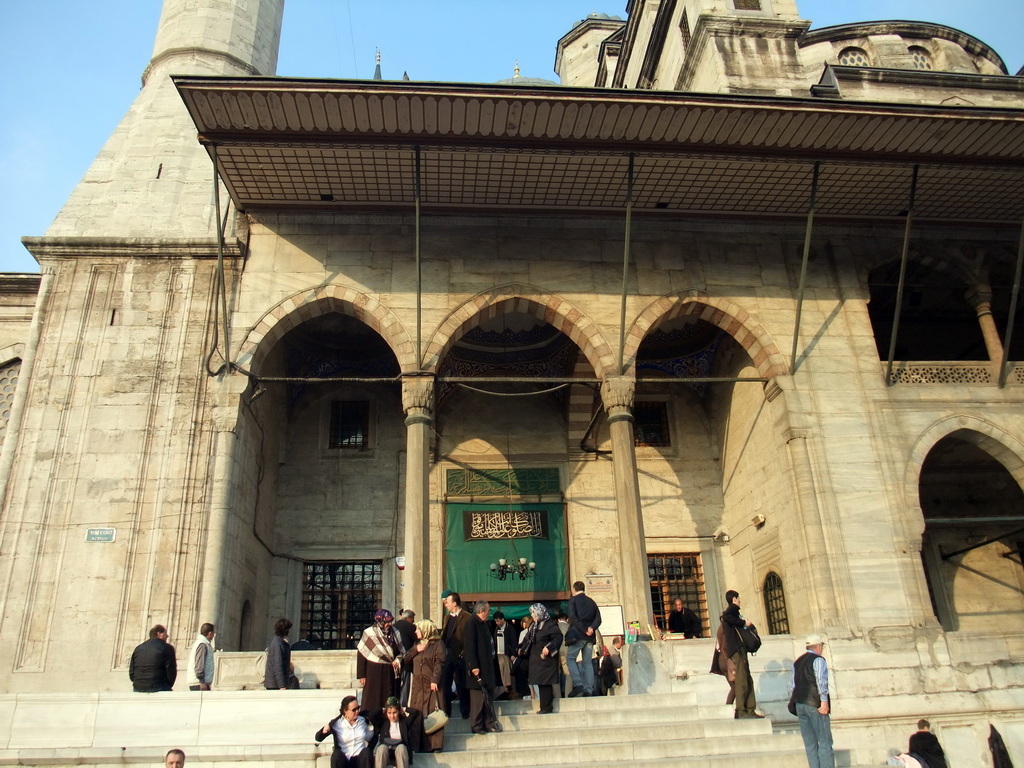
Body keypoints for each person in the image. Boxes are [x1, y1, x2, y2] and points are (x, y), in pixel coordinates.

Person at [792, 634, 834, 768]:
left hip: (800, 703)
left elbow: (794, 684)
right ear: (818, 646)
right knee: (825, 742)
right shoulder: (818, 660)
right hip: (815, 704)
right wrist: (824, 702)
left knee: (810, 744)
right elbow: (821, 682)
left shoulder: (797, 661)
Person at [404, 619, 446, 753]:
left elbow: (439, 662)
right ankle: (417, 744)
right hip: (418, 686)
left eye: (418, 629)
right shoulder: (416, 644)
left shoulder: (438, 644)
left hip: (431, 685)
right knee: (417, 714)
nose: (416, 632)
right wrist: (415, 650)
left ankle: (435, 745)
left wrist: (435, 679)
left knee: (433, 712)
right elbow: (406, 660)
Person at [718, 590, 760, 718]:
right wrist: (743, 623)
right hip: (736, 650)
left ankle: (750, 709)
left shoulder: (734, 613)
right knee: (742, 680)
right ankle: (741, 711)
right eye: (738, 598)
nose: (740, 601)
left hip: (740, 650)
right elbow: (726, 617)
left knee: (748, 679)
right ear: (734, 599)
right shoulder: (732, 610)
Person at [463, 600, 500, 734]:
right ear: (481, 611)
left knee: (488, 697)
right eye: (488, 610)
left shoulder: (484, 624)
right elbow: (469, 647)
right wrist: (474, 666)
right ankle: (477, 724)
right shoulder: (471, 624)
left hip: (487, 666)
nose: (489, 613)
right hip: (478, 668)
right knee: (478, 699)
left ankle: (489, 722)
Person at [357, 609, 402, 711]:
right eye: (387, 622)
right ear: (380, 621)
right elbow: (362, 652)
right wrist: (362, 675)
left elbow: (401, 651)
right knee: (373, 697)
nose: (389, 624)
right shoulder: (369, 633)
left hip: (390, 670)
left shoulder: (395, 633)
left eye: (390, 621)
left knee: (389, 696)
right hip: (373, 671)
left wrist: (398, 660)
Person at [524, 603, 563, 714]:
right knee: (540, 682)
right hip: (536, 659)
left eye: (533, 613)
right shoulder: (534, 626)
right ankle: (544, 706)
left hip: (546, 660)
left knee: (545, 682)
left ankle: (546, 707)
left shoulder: (550, 625)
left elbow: (558, 637)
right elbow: (528, 639)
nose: (532, 615)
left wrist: (549, 647)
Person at [316, 695, 372, 768]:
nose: (357, 711)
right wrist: (324, 731)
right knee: (336, 755)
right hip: (344, 760)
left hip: (359, 759)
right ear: (345, 711)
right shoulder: (337, 723)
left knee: (367, 752)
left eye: (358, 708)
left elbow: (370, 736)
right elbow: (318, 738)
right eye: (354, 710)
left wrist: (372, 728)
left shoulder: (363, 720)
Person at [567, 580, 601, 697]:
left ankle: (578, 684)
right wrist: (591, 628)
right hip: (590, 637)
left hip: (578, 635)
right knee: (588, 663)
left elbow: (573, 617)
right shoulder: (591, 602)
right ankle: (588, 690)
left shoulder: (573, 600)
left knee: (570, 658)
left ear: (574, 589)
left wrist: (584, 629)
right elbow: (598, 618)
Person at [439, 590, 470, 718]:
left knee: (462, 684)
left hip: (460, 655)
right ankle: (447, 711)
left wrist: (463, 654)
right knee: (446, 683)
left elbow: (468, 639)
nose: (446, 604)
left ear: (455, 603)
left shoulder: (467, 617)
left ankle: (465, 711)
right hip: (447, 655)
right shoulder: (447, 618)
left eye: (448, 602)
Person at [365, 697, 415, 768]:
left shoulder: (404, 722)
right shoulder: (383, 722)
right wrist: (383, 709)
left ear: (399, 711)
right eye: (389, 713)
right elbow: (371, 715)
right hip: (387, 754)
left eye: (394, 712)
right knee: (381, 748)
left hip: (400, 754)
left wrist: (404, 709)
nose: (392, 716)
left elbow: (415, 713)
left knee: (401, 747)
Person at [129, 624, 177, 692]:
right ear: (159, 634)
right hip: (159, 687)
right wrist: (167, 685)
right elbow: (171, 671)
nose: (167, 636)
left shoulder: (138, 648)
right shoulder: (167, 648)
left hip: (138, 687)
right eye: (165, 633)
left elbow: (132, 672)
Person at [393, 610, 416, 707]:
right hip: (406, 659)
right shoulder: (410, 627)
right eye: (413, 619)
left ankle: (394, 704)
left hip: (394, 660)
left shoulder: (394, 626)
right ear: (408, 618)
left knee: (395, 684)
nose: (413, 621)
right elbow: (415, 641)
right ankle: (403, 706)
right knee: (405, 685)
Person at [492, 611, 517, 699]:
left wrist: (513, 654)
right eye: (496, 621)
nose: (497, 623)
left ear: (503, 619)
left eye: (498, 621)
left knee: (508, 673)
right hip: (498, 654)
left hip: (506, 654)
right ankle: (502, 692)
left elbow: (514, 642)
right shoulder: (496, 629)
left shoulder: (510, 628)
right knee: (500, 674)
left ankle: (510, 691)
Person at [265, 618, 292, 690]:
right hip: (275, 685)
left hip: (275, 683)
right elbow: (278, 665)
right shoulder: (278, 643)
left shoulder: (280, 642)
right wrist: (282, 686)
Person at [188, 623, 215, 691]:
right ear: (210, 633)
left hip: (199, 682)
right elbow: (199, 664)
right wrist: (202, 681)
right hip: (199, 683)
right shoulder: (202, 644)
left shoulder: (203, 643)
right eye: (213, 633)